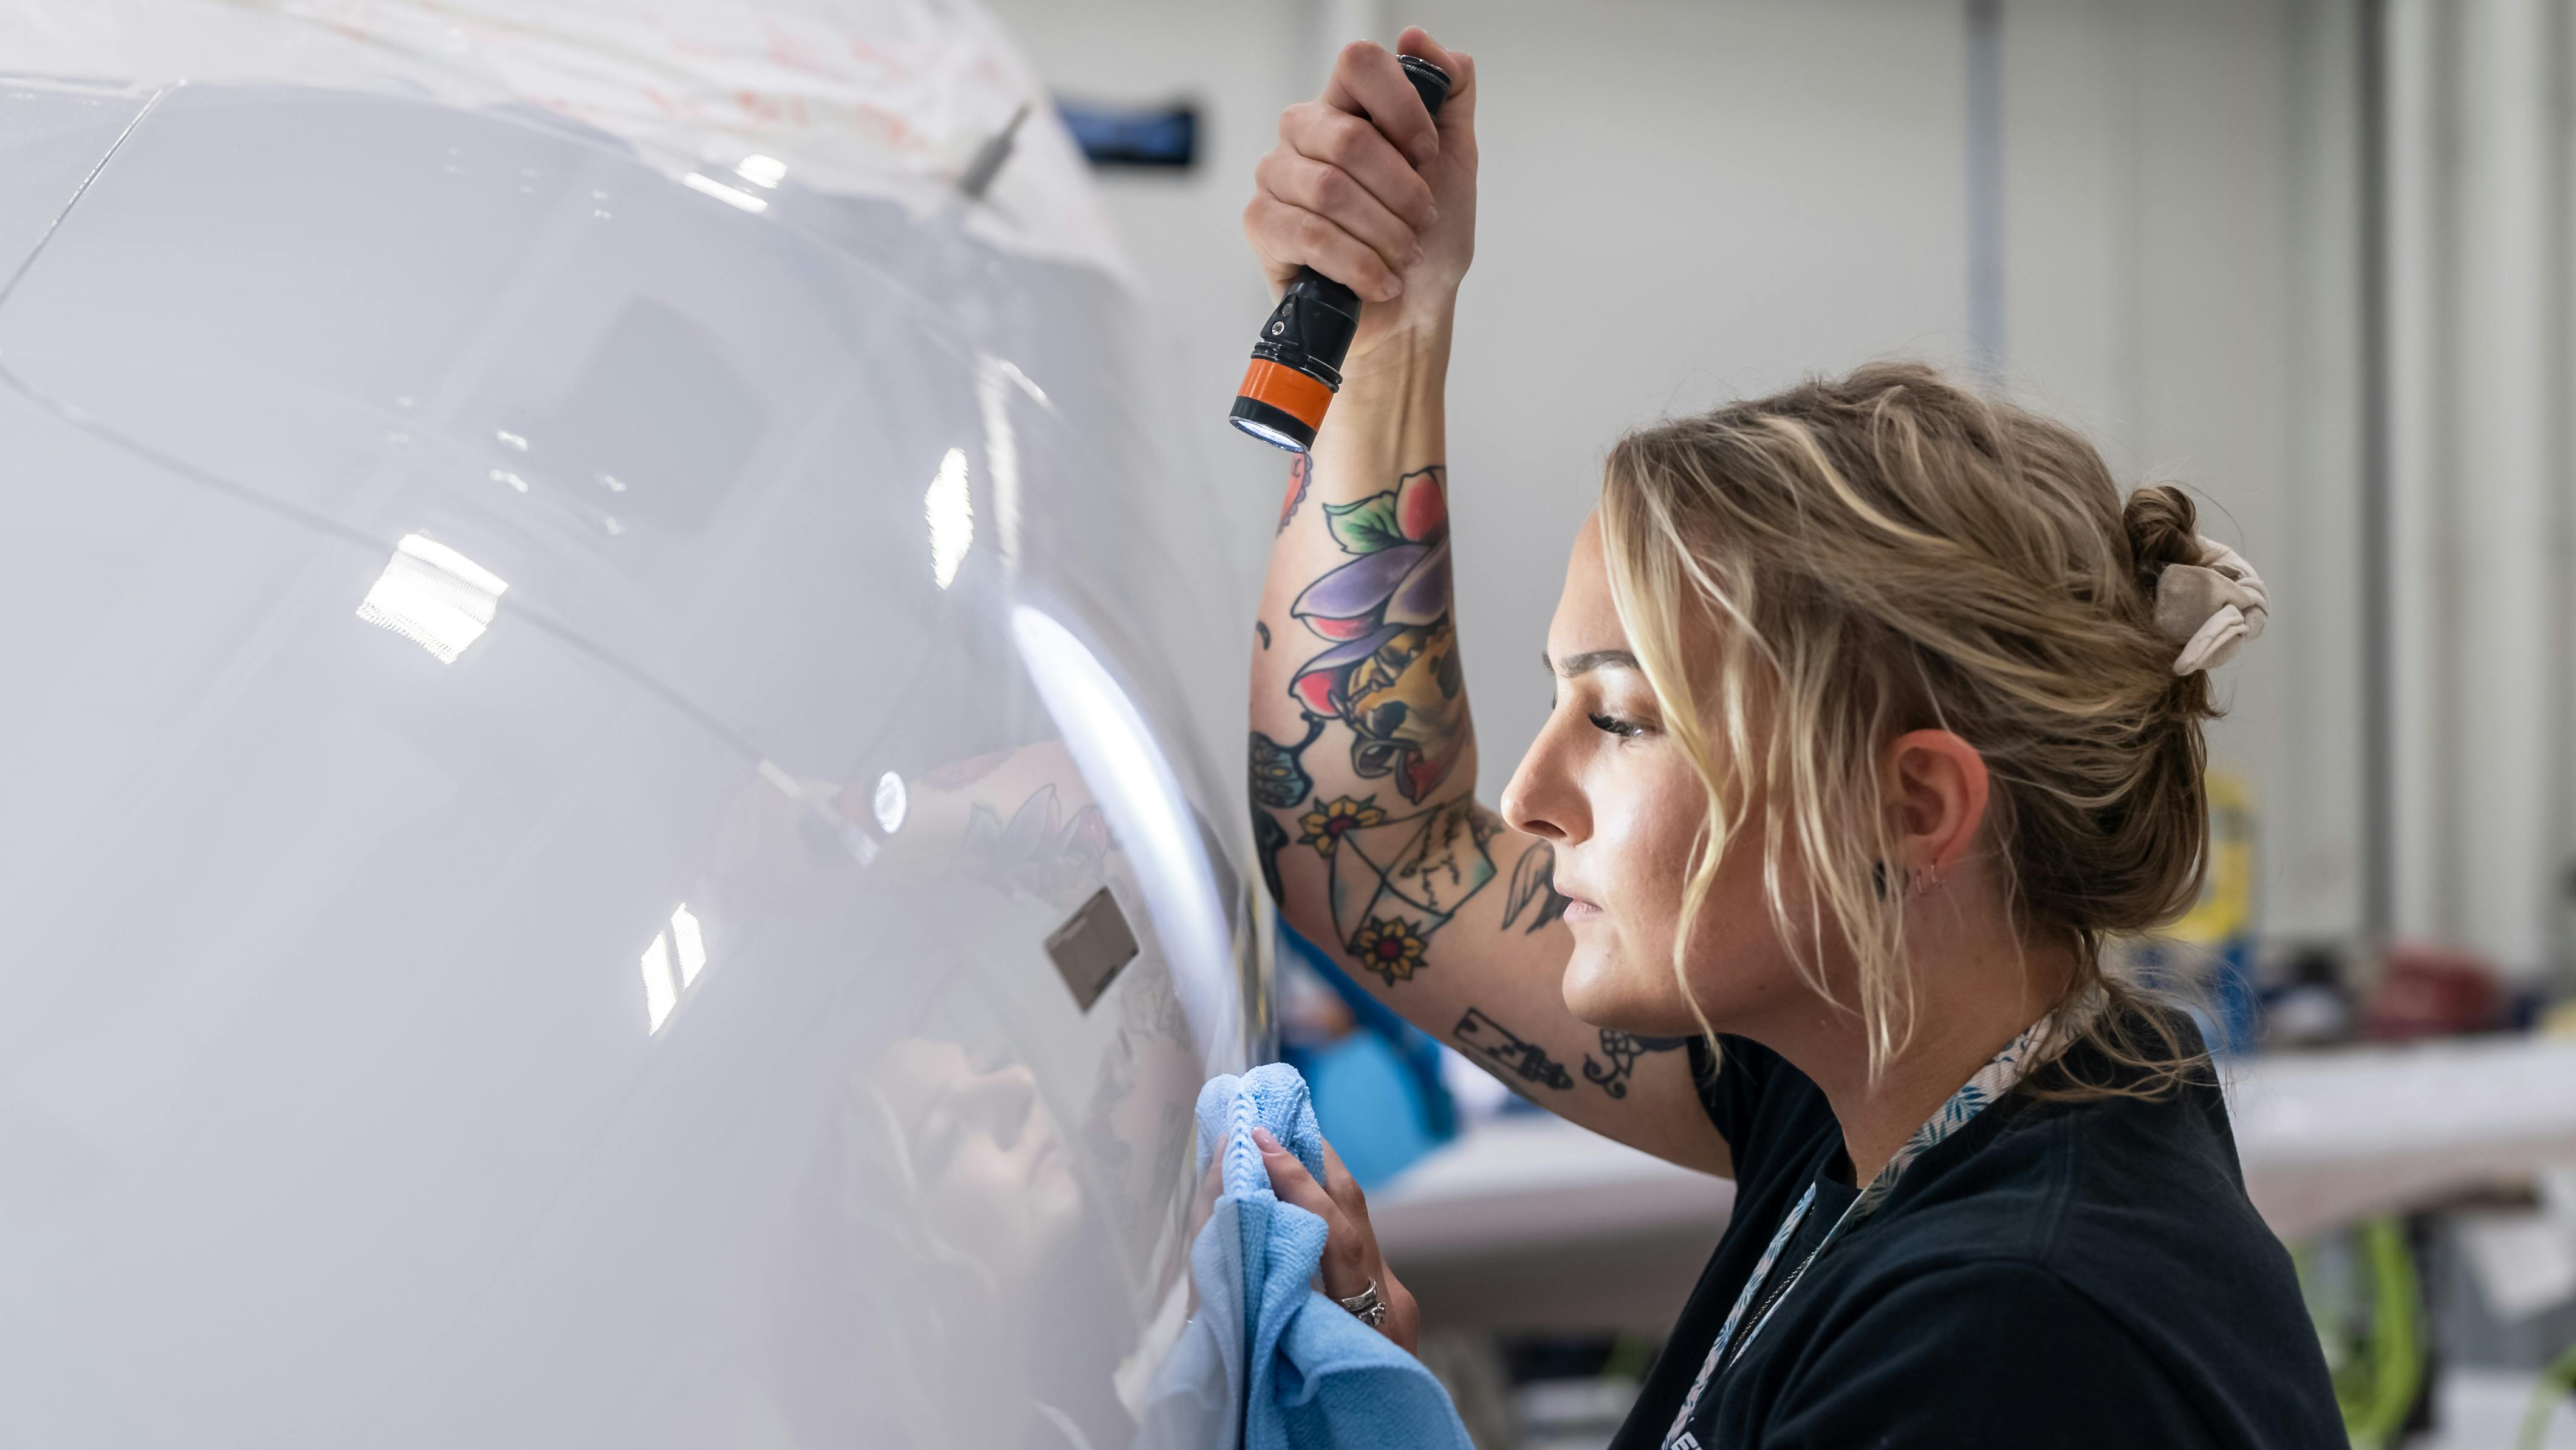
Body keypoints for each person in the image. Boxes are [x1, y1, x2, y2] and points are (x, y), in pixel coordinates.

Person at [1237, 28, 2344, 1449]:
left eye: (1622, 718)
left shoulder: (2009, 1341)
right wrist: (1391, 328)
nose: (1531, 791)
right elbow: (1367, 840)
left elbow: (1377, 851)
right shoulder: (1905, 1090)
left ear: (1911, 807)